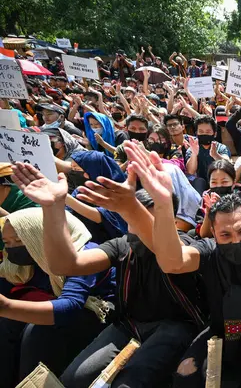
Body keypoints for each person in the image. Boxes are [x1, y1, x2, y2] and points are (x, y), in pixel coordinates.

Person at [11, 158, 205, 388]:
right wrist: (53, 208)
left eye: (151, 220)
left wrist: (137, 206)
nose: (141, 228)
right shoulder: (122, 246)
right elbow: (66, 265)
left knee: (129, 381)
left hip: (177, 326)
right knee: (75, 379)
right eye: (135, 221)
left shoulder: (187, 246)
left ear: (172, 222)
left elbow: (171, 257)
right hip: (128, 325)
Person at [122, 134, 241, 387]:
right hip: (219, 330)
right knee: (184, 374)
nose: (235, 240)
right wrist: (163, 204)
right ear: (213, 233)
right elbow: (172, 262)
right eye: (225, 234)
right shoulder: (209, 251)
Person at [0, 208, 115, 387]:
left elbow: (69, 306)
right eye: (7, 242)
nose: (12, 248)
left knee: (39, 331)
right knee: (5, 323)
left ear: (40, 234)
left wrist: (6, 306)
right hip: (62, 313)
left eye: (19, 240)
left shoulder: (84, 255)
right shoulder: (29, 262)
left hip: (99, 315)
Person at [186, 115, 231, 194]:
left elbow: (228, 163)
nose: (204, 134)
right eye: (201, 132)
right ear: (196, 133)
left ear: (215, 134)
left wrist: (215, 155)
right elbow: (191, 171)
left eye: (208, 132)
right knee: (199, 182)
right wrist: (194, 154)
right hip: (201, 184)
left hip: (218, 182)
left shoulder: (221, 147)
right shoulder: (193, 148)